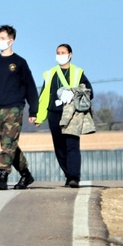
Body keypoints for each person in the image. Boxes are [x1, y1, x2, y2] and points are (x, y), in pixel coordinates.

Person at [0, 25, 39, 190]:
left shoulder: (19, 63)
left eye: (3, 38)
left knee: (8, 143)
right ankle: (26, 174)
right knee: (8, 144)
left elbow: (30, 87)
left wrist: (34, 110)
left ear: (11, 41)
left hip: (15, 108)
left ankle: (2, 176)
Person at [35, 43, 92, 188]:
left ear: (70, 55)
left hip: (72, 114)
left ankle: (74, 177)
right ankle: (68, 175)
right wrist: (40, 117)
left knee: (72, 146)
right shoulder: (50, 73)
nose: (60, 55)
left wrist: (73, 92)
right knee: (59, 147)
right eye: (58, 53)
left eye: (63, 52)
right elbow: (44, 96)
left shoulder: (78, 73)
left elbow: (89, 91)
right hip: (54, 113)